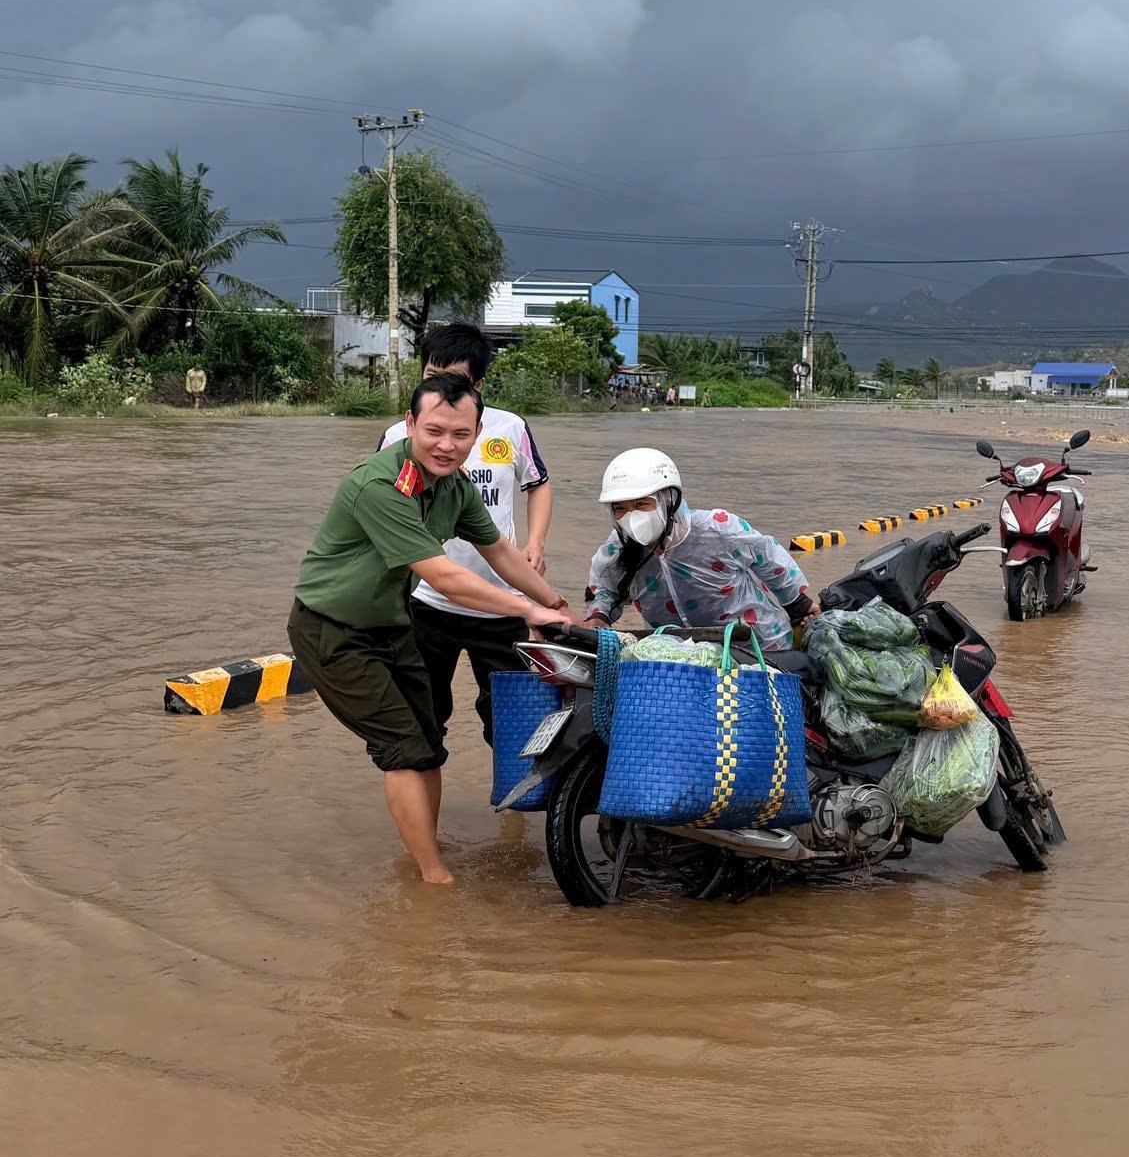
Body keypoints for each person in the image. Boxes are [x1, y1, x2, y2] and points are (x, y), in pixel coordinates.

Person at [290, 374, 570, 885]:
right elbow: (443, 575)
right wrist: (526, 611)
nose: (447, 446)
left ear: (478, 432)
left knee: (427, 743)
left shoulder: (454, 487)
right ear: (410, 425)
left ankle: (423, 849)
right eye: (434, 431)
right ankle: (433, 877)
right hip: (332, 631)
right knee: (403, 747)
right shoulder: (380, 486)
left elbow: (501, 551)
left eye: (461, 435)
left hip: (390, 625)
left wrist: (555, 603)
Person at [378, 323, 552, 747]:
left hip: (501, 604)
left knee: (511, 724)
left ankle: (514, 812)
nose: (441, 392)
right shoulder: (398, 438)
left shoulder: (509, 429)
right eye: (431, 378)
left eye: (453, 380)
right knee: (421, 721)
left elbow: (538, 483)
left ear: (478, 385)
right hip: (426, 602)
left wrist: (535, 545)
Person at [583, 446, 816, 652]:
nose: (631, 517)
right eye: (621, 508)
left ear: (668, 500)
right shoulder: (618, 548)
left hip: (754, 646)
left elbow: (769, 558)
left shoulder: (718, 529)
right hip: (678, 653)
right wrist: (599, 615)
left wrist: (798, 605)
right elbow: (607, 588)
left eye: (641, 504)